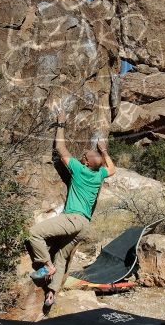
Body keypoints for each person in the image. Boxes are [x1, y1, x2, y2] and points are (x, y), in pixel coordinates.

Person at [26, 111, 115, 307]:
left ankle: (47, 267)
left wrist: (61, 124)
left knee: (34, 234)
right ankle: (51, 293)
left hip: (72, 219)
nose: (85, 153)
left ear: (85, 162)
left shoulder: (79, 170)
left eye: (86, 154)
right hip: (84, 225)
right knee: (62, 255)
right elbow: (112, 169)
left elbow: (60, 147)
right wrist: (105, 151)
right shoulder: (99, 174)